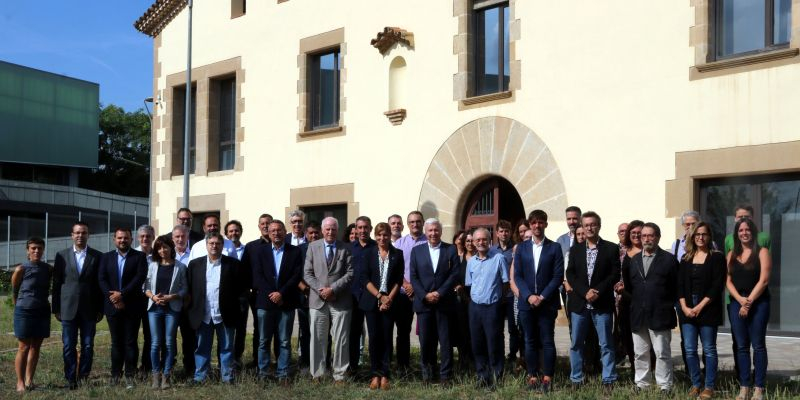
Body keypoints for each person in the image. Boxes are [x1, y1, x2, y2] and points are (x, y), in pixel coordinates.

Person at [621, 223, 678, 394]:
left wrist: (667, 306)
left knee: (662, 353)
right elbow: (630, 287)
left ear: (658, 237)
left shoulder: (668, 260)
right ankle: (642, 384)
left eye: (650, 235)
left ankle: (665, 386)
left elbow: (676, 287)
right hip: (638, 314)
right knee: (640, 353)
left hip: (660, 313)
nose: (646, 239)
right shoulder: (634, 260)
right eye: (644, 235)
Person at [565, 211, 619, 393]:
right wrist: (584, 292)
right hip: (579, 304)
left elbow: (614, 274)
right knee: (576, 343)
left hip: (602, 303)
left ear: (599, 225)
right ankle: (576, 378)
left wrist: (598, 291)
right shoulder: (575, 249)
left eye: (593, 224)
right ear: (582, 226)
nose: (589, 228)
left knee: (606, 344)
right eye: (586, 225)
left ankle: (609, 379)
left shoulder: (611, 248)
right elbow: (570, 274)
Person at [514, 210, 564, 393]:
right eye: (534, 222)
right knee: (529, 340)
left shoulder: (554, 247)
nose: (537, 226)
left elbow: (558, 276)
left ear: (545, 224)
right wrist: (528, 296)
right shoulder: (522, 248)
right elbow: (518, 276)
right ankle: (533, 376)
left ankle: (547, 378)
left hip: (547, 303)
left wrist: (542, 296)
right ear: (530, 224)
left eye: (540, 222)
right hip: (527, 303)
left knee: (547, 340)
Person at [186, 232, 245, 384]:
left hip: (225, 313)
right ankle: (200, 377)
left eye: (217, 243)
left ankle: (227, 377)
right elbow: (189, 289)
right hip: (203, 313)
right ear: (206, 245)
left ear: (222, 246)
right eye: (211, 243)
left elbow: (241, 289)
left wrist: (239, 308)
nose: (214, 246)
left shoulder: (233, 264)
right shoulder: (194, 265)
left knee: (226, 348)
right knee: (201, 348)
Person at [52, 222, 103, 389]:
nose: (80, 235)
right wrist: (56, 308)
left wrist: (100, 309)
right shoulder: (61, 256)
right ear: (72, 235)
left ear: (89, 235)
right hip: (67, 309)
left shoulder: (97, 256)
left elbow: (100, 285)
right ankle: (70, 378)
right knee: (68, 345)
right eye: (77, 233)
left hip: (89, 309)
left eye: (84, 233)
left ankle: (83, 377)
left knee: (88, 345)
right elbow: (57, 283)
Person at [304, 216, 354, 384]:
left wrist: (333, 289)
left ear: (337, 230)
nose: (330, 232)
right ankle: (317, 374)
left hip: (340, 300)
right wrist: (321, 290)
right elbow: (307, 273)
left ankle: (339, 375)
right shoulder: (312, 247)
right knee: (317, 339)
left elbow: (350, 273)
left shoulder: (345, 248)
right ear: (322, 230)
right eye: (327, 229)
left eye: (333, 229)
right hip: (318, 301)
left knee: (341, 339)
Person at [410, 217, 460, 386]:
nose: (433, 233)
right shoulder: (417, 251)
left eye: (436, 230)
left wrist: (439, 292)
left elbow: (454, 275)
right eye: (430, 230)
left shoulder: (450, 249)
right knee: (426, 341)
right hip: (424, 304)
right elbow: (414, 277)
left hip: (444, 303)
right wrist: (425, 295)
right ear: (425, 232)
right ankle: (428, 375)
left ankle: (445, 376)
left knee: (445, 342)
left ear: (441, 231)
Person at [678, 222, 725, 399]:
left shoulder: (717, 257)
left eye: (704, 234)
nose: (700, 237)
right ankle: (696, 384)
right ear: (692, 236)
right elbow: (680, 285)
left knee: (709, 349)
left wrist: (699, 307)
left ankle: (709, 386)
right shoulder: (686, 258)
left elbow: (716, 286)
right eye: (697, 234)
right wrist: (684, 307)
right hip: (687, 308)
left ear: (709, 236)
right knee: (690, 349)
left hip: (708, 308)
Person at [252, 220, 303, 384]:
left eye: (279, 230)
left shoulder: (294, 252)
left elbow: (296, 275)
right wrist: (272, 294)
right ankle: (263, 373)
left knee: (284, 341)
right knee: (263, 341)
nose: (275, 233)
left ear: (285, 231)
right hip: (264, 303)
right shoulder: (260, 251)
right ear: (268, 232)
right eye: (272, 230)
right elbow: (257, 276)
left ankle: (283, 374)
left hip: (286, 302)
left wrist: (281, 293)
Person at [727, 218, 771, 400]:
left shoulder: (762, 252)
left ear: (753, 232)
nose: (744, 233)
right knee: (742, 346)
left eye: (747, 230)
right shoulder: (731, 254)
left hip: (758, 302)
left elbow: (764, 280)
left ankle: (759, 387)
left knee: (758, 345)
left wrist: (748, 302)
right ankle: (744, 387)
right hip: (738, 301)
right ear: (736, 234)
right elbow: (727, 281)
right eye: (740, 230)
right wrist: (740, 300)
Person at [98, 228, 148, 388]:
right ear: (114, 239)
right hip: (112, 307)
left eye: (126, 238)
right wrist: (113, 297)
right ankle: (115, 375)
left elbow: (139, 278)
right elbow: (101, 279)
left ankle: (129, 376)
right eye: (119, 238)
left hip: (132, 306)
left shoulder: (139, 257)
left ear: (131, 240)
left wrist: (122, 295)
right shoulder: (105, 258)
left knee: (130, 342)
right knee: (116, 343)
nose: (122, 240)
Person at [359, 222, 404, 390]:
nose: (382, 238)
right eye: (379, 235)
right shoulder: (369, 253)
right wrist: (379, 296)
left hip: (390, 302)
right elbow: (364, 278)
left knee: (386, 338)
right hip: (372, 301)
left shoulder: (397, 254)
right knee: (374, 339)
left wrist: (388, 299)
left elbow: (399, 280)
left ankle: (385, 374)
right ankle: (374, 375)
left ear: (389, 235)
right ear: (375, 236)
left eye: (385, 234)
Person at [466, 227, 509, 390]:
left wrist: (497, 301)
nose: (481, 242)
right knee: (477, 344)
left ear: (490, 240)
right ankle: (482, 376)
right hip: (475, 308)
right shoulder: (471, 262)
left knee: (494, 343)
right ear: (474, 243)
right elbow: (469, 285)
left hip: (493, 307)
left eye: (484, 239)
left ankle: (497, 377)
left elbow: (505, 283)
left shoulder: (499, 258)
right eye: (478, 240)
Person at [144, 238, 188, 389]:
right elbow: (145, 286)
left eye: (166, 247)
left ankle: (166, 377)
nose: (163, 251)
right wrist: (153, 297)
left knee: (169, 343)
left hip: (172, 309)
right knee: (155, 343)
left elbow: (184, 289)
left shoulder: (180, 266)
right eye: (159, 248)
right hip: (155, 308)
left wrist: (171, 297)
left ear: (171, 248)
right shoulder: (152, 266)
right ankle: (156, 376)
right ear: (156, 250)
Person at [11, 237, 52, 393]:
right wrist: (19, 306)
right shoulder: (20, 269)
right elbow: (14, 290)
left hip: (42, 311)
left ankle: (29, 381)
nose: (37, 251)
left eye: (40, 248)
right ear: (27, 250)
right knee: (24, 347)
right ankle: (20, 382)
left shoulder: (48, 269)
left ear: (43, 250)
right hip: (24, 311)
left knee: (36, 347)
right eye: (33, 248)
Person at [392, 210, 428, 370]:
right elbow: (394, 269)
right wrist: (406, 284)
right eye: (412, 222)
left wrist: (418, 287)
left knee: (427, 333)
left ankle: (426, 365)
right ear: (408, 224)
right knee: (403, 332)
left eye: (418, 221)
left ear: (423, 223)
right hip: (403, 294)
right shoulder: (399, 244)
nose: (415, 224)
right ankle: (403, 366)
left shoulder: (430, 242)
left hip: (423, 294)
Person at [238, 213, 273, 369]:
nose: (265, 226)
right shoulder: (251, 247)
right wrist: (248, 289)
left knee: (277, 330)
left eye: (268, 223)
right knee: (259, 328)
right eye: (263, 223)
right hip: (256, 294)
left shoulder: (279, 244)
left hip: (277, 293)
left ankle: (276, 359)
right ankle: (257, 360)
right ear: (259, 226)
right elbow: (244, 270)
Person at [613, 220, 644, 370]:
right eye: (633, 233)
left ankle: (649, 370)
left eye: (639, 232)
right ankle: (634, 369)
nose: (636, 235)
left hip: (644, 302)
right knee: (627, 338)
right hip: (626, 300)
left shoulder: (649, 251)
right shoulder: (624, 251)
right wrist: (620, 285)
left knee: (645, 340)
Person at [348, 216, 375, 373]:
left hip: (371, 297)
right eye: (360, 227)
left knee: (374, 335)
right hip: (353, 297)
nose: (363, 230)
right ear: (356, 230)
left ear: (370, 229)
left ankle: (374, 369)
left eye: (366, 227)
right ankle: (352, 368)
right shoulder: (349, 248)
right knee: (353, 334)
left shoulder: (377, 247)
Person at [490, 220, 519, 367]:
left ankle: (513, 355)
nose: (504, 234)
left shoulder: (516, 249)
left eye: (506, 231)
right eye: (501, 231)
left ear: (510, 232)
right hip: (497, 295)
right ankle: (499, 355)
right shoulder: (491, 251)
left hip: (512, 295)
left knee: (513, 328)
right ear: (496, 233)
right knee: (497, 328)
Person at [296, 221, 321, 373]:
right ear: (305, 234)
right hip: (305, 296)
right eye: (310, 233)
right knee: (306, 332)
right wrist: (303, 288)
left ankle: (323, 362)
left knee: (323, 332)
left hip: (322, 296)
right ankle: (305, 363)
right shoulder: (299, 250)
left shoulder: (326, 248)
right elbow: (295, 272)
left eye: (316, 232)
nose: (313, 235)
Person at [135, 225, 155, 374]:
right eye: (142, 236)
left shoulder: (158, 255)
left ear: (153, 237)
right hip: (134, 300)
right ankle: (131, 366)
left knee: (150, 335)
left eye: (148, 236)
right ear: (138, 238)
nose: (145, 239)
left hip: (152, 300)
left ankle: (146, 366)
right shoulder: (132, 254)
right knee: (131, 336)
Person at [452, 230, 473, 370]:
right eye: (467, 241)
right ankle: (463, 360)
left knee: (475, 331)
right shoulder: (459, 258)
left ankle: (475, 360)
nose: (470, 243)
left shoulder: (481, 257)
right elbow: (454, 277)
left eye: (472, 241)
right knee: (462, 331)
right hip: (462, 300)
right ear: (464, 243)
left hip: (478, 299)